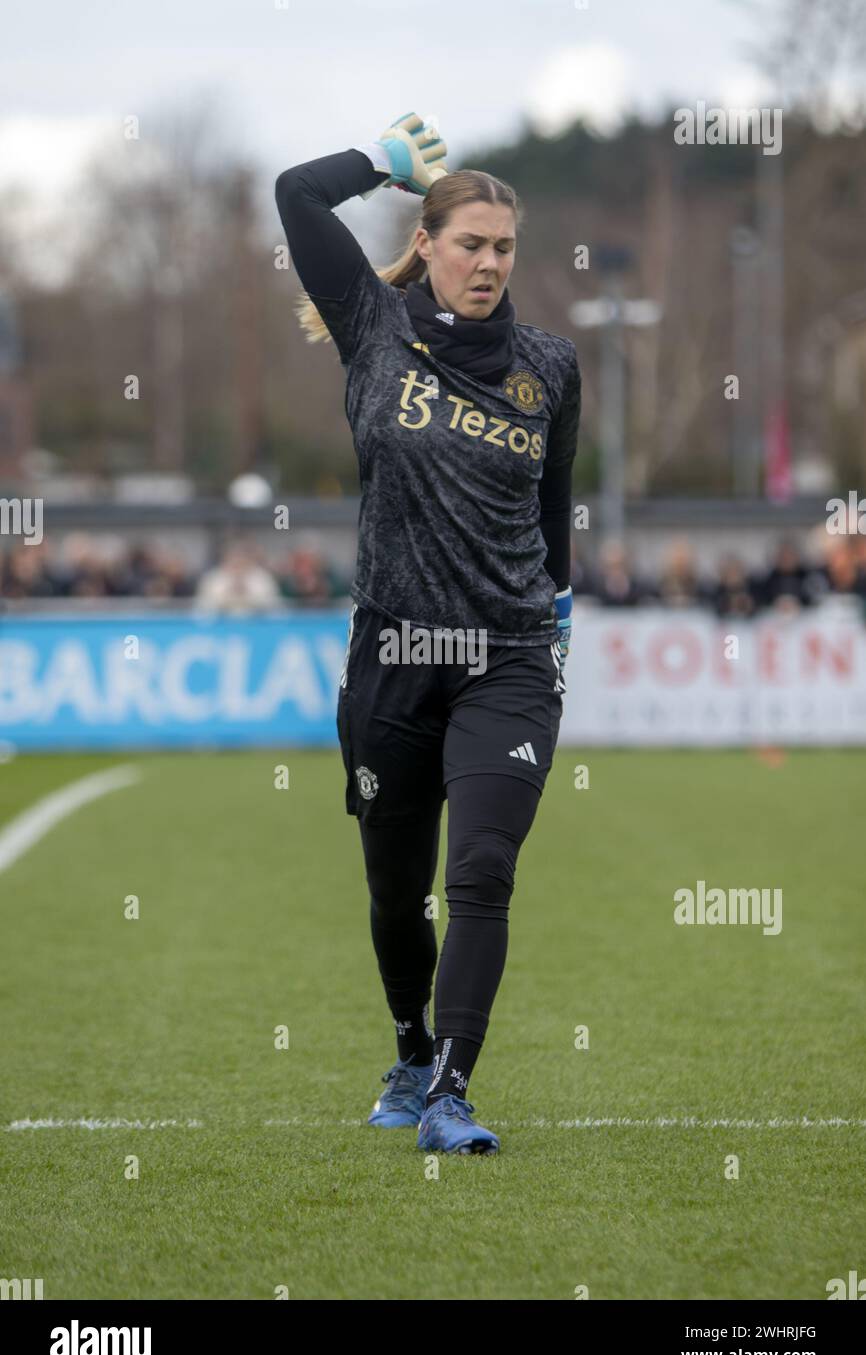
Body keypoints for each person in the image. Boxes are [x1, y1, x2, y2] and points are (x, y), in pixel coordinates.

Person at [275, 112, 581, 1155]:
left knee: (482, 870)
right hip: (392, 659)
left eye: (503, 248)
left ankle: (451, 1090)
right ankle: (409, 1054)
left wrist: (562, 608)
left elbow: (552, 507)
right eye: (469, 244)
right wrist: (383, 165)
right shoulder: (371, 324)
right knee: (394, 893)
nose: (488, 263)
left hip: (505, 657)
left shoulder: (550, 365)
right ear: (432, 244)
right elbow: (294, 195)